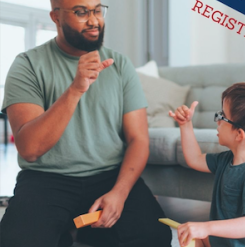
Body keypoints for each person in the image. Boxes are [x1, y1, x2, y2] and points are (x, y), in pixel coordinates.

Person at [0, 0, 171, 246]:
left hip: (109, 176)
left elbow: (138, 139)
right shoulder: (27, 65)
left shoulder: (120, 64)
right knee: (17, 241)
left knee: (154, 237)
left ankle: (84, 231)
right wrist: (75, 89)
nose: (93, 20)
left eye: (98, 10)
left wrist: (119, 194)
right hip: (47, 178)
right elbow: (30, 149)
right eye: (81, 12)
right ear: (55, 17)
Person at [169, 82, 245, 247]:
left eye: (222, 116)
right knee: (191, 239)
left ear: (239, 134)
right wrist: (185, 125)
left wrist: (206, 227)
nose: (217, 121)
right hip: (224, 241)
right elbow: (194, 158)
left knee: (200, 233)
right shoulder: (226, 159)